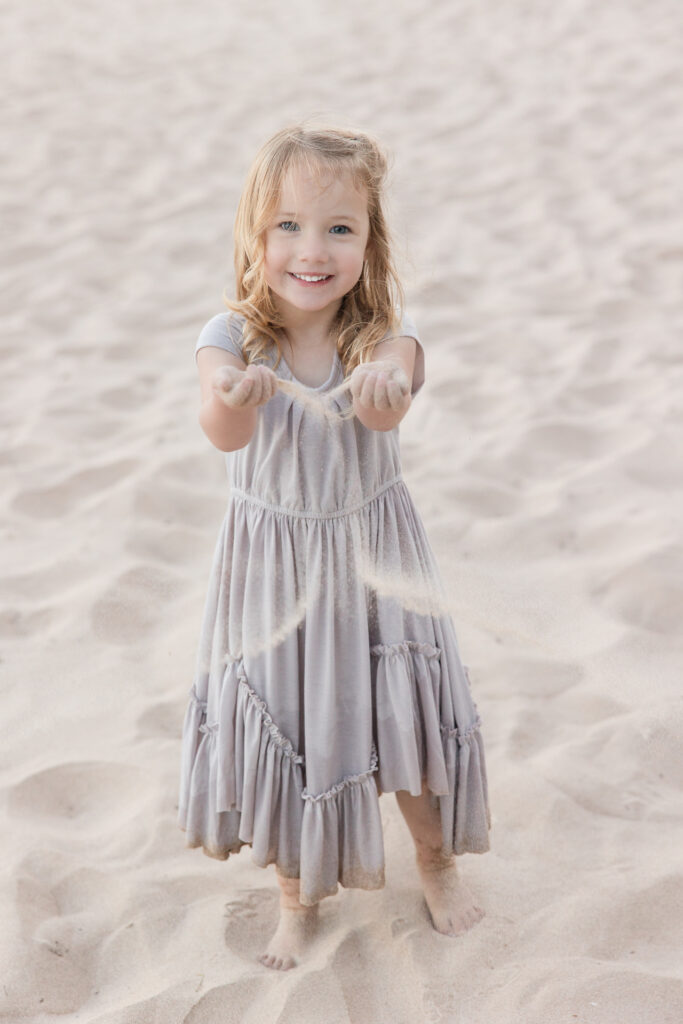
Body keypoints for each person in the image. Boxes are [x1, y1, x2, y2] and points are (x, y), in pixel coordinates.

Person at [177, 122, 491, 971]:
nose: (311, 251)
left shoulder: (387, 331)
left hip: (371, 563)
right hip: (273, 572)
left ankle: (433, 857)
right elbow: (223, 431)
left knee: (403, 711)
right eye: (289, 226)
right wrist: (235, 393)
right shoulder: (230, 334)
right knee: (294, 721)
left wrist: (385, 382)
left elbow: (388, 405)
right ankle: (296, 895)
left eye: (338, 229)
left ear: (368, 239)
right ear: (256, 235)